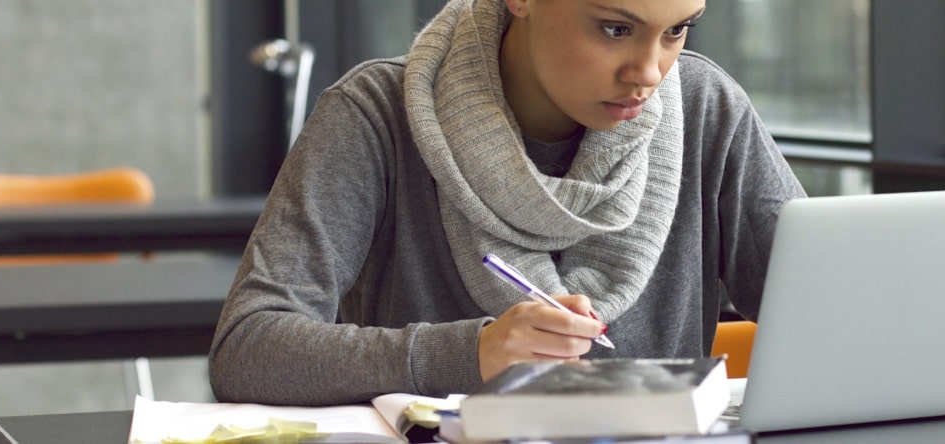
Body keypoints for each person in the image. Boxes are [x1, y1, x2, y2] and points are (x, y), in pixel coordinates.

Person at [208, 0, 806, 406]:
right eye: (615, 29)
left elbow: (825, 312)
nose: (648, 72)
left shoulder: (707, 108)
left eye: (677, 30)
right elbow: (248, 348)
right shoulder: (375, 114)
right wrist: (471, 353)